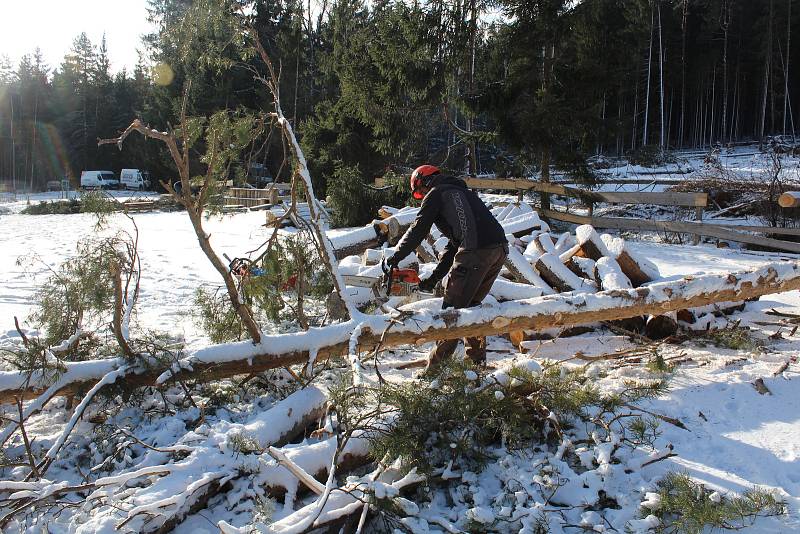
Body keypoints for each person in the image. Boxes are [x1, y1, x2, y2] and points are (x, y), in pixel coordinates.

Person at [387, 165, 508, 373]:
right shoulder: (461, 193)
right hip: (500, 250)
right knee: (472, 309)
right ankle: (476, 368)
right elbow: (454, 246)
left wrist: (394, 257)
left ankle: (434, 372)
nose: (423, 196)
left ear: (423, 181)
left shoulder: (437, 193)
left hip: (475, 251)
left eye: (421, 192)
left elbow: (418, 228)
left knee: (451, 313)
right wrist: (433, 278)